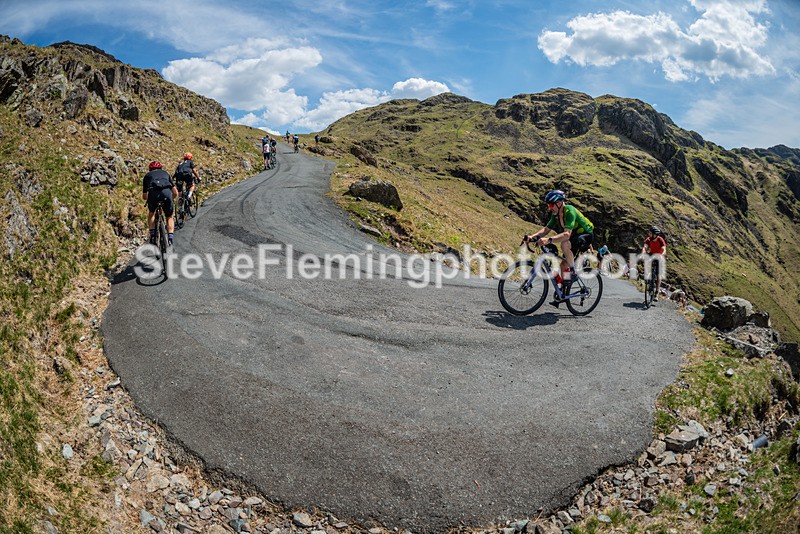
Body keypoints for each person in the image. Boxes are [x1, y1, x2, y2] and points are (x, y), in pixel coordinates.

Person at [523, 190, 595, 306]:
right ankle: (563, 292)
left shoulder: (569, 211)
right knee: (563, 265)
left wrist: (549, 240)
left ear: (559, 203)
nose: (550, 208)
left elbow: (566, 235)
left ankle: (573, 273)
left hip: (586, 235)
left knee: (564, 244)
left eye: (551, 205)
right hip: (574, 237)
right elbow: (546, 230)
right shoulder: (556, 215)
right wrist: (532, 237)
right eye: (548, 205)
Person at [142, 161, 178, 246]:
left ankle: (153, 235)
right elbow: (175, 192)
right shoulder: (166, 173)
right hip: (166, 194)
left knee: (151, 213)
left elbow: (144, 195)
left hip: (153, 195)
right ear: (161, 168)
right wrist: (170, 199)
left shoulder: (147, 176)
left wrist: (149, 200)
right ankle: (170, 238)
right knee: (169, 217)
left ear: (150, 169)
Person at [642, 225, 667, 301]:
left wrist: (662, 255)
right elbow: (645, 247)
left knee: (658, 275)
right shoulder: (648, 239)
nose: (648, 234)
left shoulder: (660, 240)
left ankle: (656, 293)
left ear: (654, 234)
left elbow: (664, 250)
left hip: (659, 256)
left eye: (650, 233)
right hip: (652, 254)